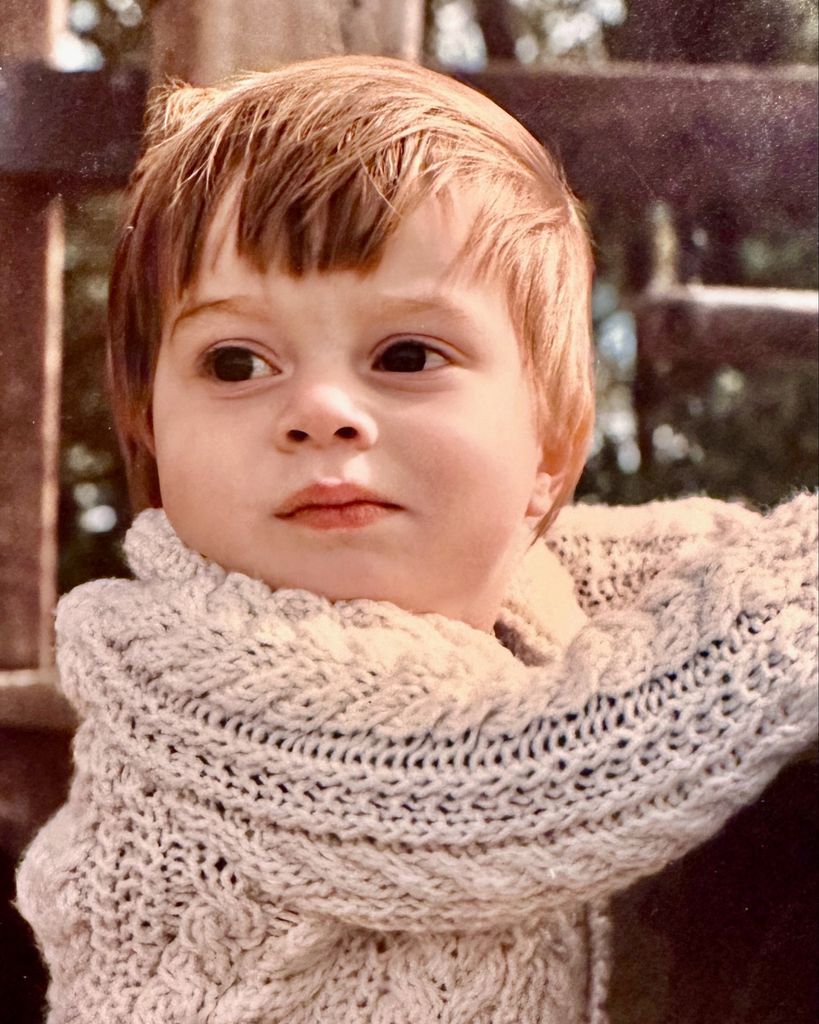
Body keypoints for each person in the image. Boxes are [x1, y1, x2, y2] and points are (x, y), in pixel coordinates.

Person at [15, 55, 817, 1024]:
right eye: (235, 362)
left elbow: (657, 558)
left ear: (550, 450)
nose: (319, 410)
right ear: (149, 431)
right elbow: (550, 774)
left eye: (404, 355)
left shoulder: (503, 589)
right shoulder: (193, 689)